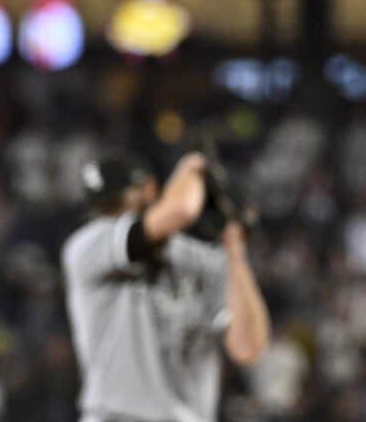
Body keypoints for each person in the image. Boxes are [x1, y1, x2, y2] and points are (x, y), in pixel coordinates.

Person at [61, 152, 270, 422]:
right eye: (103, 208)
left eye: (117, 202)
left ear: (149, 189)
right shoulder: (86, 247)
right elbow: (180, 210)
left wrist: (235, 247)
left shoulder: (204, 261)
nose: (110, 217)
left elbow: (247, 348)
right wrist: (192, 167)